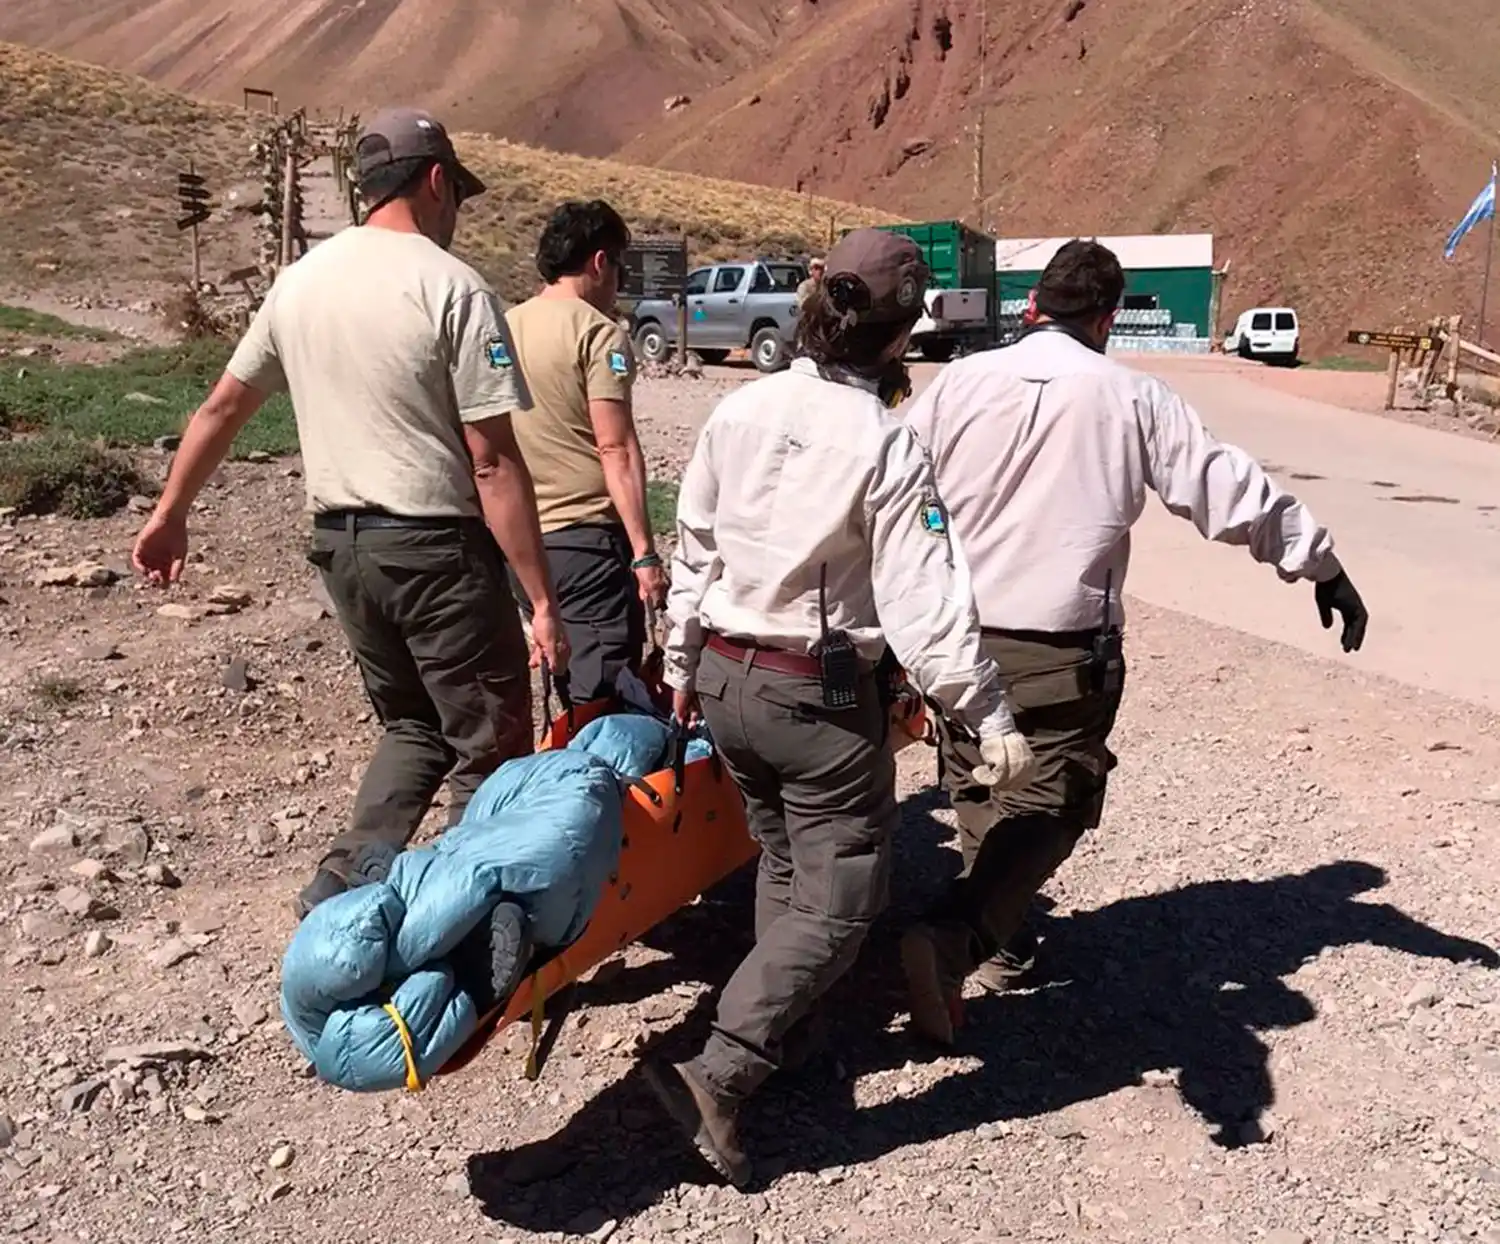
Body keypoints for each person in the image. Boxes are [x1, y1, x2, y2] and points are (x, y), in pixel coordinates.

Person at [897, 238, 1371, 1044]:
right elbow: (1225, 489)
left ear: (1034, 306)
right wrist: (1320, 564)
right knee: (1058, 801)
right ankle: (956, 937)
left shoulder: (957, 385)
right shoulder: (1130, 395)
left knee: (979, 781)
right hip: (1059, 650)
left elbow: (893, 486)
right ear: (1108, 317)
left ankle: (999, 946)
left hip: (951, 635)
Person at [644, 228, 1038, 1188]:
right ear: (903, 335)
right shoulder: (886, 441)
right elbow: (923, 600)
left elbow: (694, 543)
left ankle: (791, 1044)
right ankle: (722, 1071)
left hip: (731, 682)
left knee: (785, 860)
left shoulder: (740, 408)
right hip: (813, 698)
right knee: (847, 890)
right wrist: (989, 716)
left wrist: (684, 658)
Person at [130, 106, 569, 918]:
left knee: (412, 726)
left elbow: (223, 406)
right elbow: (493, 459)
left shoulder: (300, 282)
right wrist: (541, 597)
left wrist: (171, 513)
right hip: (436, 549)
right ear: (436, 182)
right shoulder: (453, 286)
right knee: (491, 744)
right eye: (456, 194)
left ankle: (341, 887)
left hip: (341, 547)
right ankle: (460, 925)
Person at [503, 200, 668, 702]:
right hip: (587, 541)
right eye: (619, 264)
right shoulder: (600, 334)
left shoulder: (504, 326)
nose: (619, 278)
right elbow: (614, 447)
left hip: (519, 540)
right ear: (600, 262)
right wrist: (644, 553)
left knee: (561, 677)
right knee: (602, 694)